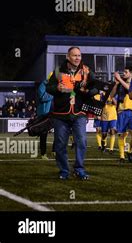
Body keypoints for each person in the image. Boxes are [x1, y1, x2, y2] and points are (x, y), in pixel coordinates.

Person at [46, 46, 96, 180]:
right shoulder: (58, 71)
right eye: (74, 55)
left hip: (79, 113)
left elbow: (96, 88)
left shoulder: (87, 71)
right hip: (61, 115)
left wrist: (89, 91)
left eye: (79, 55)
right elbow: (48, 88)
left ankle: (79, 169)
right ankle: (64, 170)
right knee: (60, 144)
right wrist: (56, 88)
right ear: (68, 57)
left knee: (82, 142)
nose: (77, 58)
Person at [112, 67, 132, 163]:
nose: (123, 74)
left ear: (131, 73)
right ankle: (122, 157)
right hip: (122, 111)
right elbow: (112, 95)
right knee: (121, 134)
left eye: (126, 72)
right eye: (123, 72)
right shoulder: (120, 83)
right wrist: (116, 83)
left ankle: (130, 151)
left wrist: (120, 80)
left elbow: (130, 89)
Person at [37, 72, 54, 159]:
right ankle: (43, 154)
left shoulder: (55, 86)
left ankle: (54, 151)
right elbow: (42, 97)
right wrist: (54, 94)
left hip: (54, 113)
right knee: (43, 135)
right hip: (44, 113)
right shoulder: (42, 85)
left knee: (59, 132)